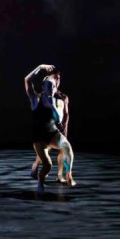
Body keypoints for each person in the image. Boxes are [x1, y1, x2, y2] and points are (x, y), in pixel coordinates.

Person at [24, 64, 77, 194]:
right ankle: (40, 180)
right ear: (44, 86)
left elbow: (62, 116)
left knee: (67, 147)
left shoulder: (57, 100)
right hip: (39, 138)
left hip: (52, 134)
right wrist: (41, 67)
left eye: (54, 85)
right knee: (47, 166)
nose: (53, 87)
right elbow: (27, 80)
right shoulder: (35, 99)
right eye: (50, 85)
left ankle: (68, 174)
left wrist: (64, 126)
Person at [30, 70, 70, 184]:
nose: (57, 81)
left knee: (63, 149)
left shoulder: (63, 97)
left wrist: (65, 127)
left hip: (59, 127)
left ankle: (60, 175)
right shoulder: (42, 97)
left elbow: (66, 114)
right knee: (45, 149)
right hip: (46, 128)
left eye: (58, 78)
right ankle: (35, 166)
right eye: (54, 79)